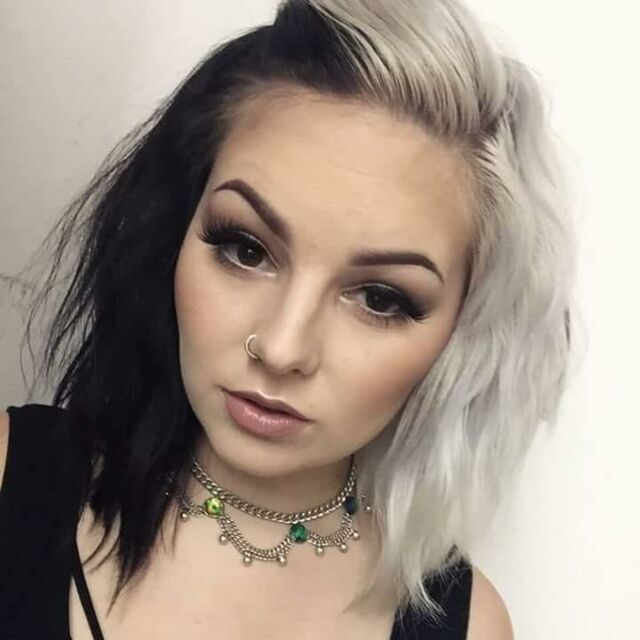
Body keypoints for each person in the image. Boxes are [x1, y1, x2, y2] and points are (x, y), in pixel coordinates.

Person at [0, 0, 576, 637]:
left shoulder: (469, 626)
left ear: (461, 335)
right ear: (173, 232)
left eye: (380, 298)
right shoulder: (10, 477)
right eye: (245, 249)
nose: (281, 348)